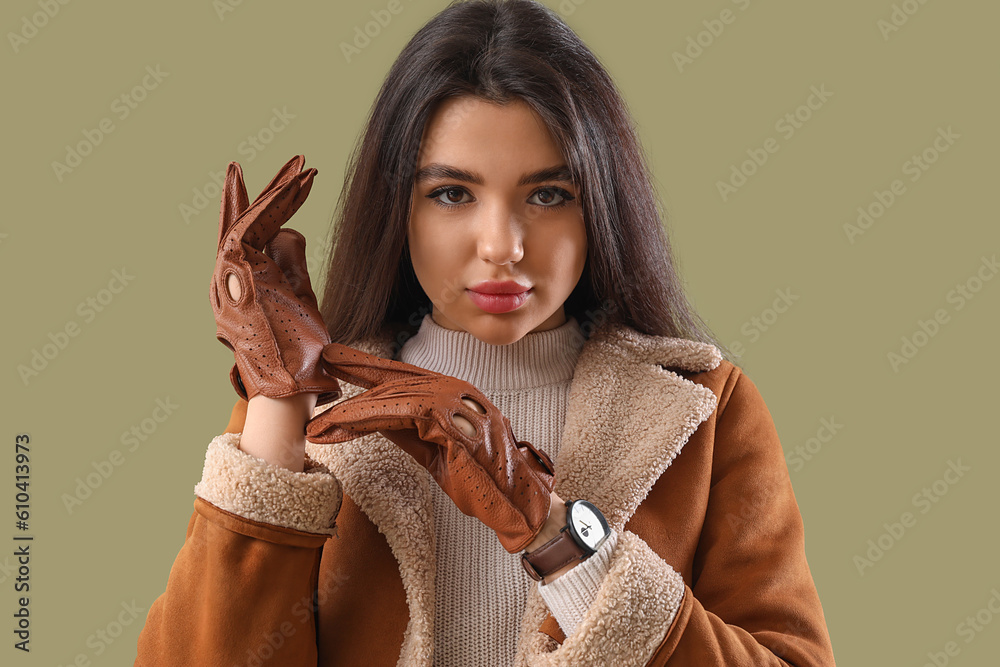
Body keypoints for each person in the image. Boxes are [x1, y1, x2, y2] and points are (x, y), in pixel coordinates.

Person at [135, 1, 837, 665]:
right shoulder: (310, 417)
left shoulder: (705, 410)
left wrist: (553, 533)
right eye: (452, 194)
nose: (502, 244)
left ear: (601, 207)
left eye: (548, 194)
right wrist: (282, 404)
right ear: (398, 209)